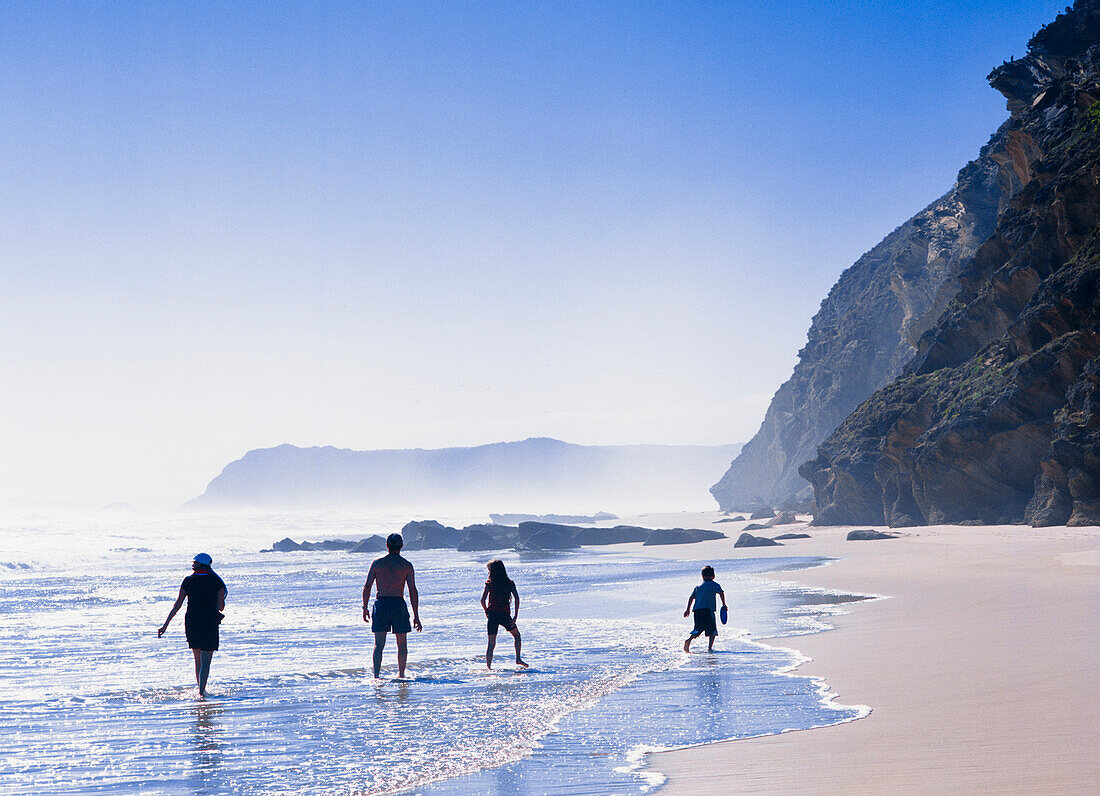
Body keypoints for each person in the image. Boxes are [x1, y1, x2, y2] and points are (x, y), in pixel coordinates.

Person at [158, 553, 227, 697]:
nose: (192, 564)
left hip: (192, 622)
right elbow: (221, 607)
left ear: (201, 564)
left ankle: (201, 691)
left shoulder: (188, 581)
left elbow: (177, 605)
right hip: (209, 622)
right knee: (206, 661)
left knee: (198, 660)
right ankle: (202, 691)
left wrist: (165, 625)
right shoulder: (217, 582)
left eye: (195, 562)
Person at [362, 533, 422, 678]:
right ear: (401, 546)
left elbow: (367, 586)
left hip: (381, 603)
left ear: (387, 546)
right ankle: (401, 674)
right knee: (401, 644)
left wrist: (365, 608)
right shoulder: (406, 565)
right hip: (397, 603)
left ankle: (376, 676)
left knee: (379, 644)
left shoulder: (377, 563)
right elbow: (412, 590)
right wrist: (416, 616)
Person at [480, 559, 528, 670]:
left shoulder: (489, 583)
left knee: (491, 643)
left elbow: (482, 600)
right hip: (505, 615)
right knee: (517, 636)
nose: (488, 572)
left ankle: (488, 667)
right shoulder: (509, 583)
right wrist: (515, 616)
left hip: (492, 615)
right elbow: (516, 598)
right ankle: (518, 658)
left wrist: (486, 611)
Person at [683, 565, 726, 653]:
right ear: (713, 576)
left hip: (697, 611)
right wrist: (724, 604)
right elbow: (721, 592)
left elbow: (691, 597)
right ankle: (709, 647)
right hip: (708, 610)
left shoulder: (698, 586)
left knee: (698, 628)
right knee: (712, 630)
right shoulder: (714, 585)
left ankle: (689, 640)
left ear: (702, 576)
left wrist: (687, 609)